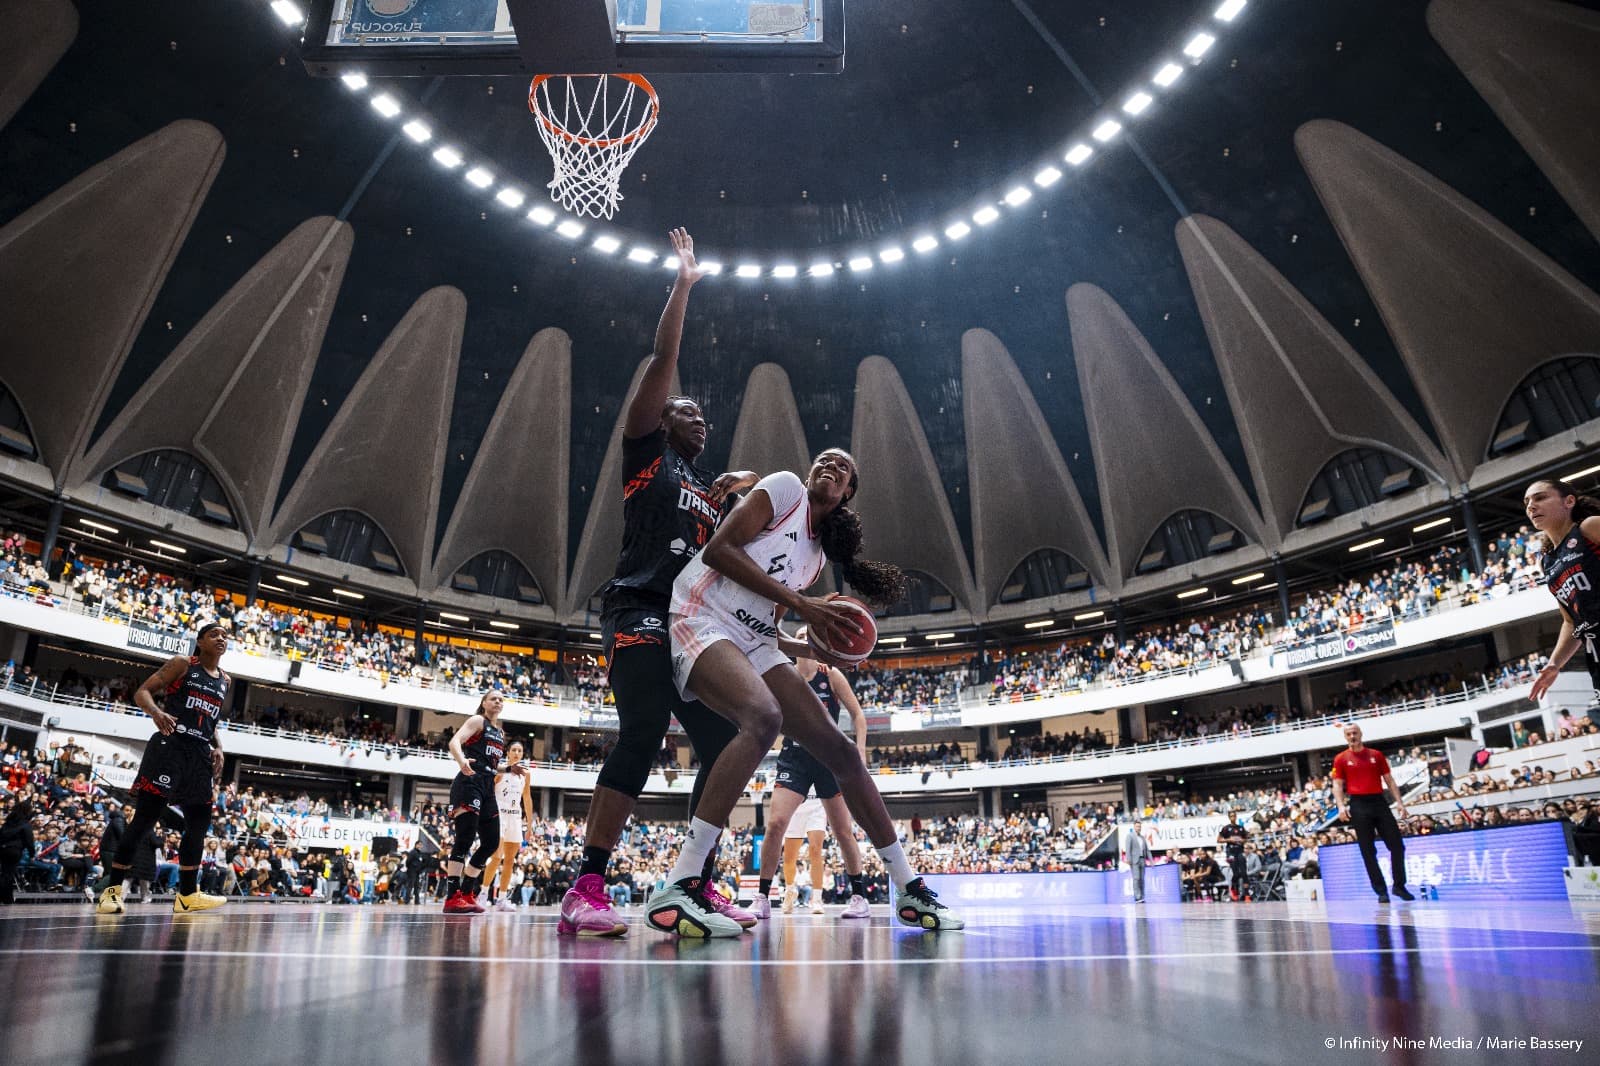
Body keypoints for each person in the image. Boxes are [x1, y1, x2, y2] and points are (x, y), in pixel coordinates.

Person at [652, 449, 963, 936]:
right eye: (825, 459)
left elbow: (765, 626)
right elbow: (718, 551)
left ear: (848, 494)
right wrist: (803, 605)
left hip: (750, 639)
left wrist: (813, 646)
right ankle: (680, 881)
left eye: (843, 468)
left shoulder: (815, 560)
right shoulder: (783, 489)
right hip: (699, 614)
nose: (831, 465)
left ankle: (907, 887)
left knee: (840, 750)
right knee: (763, 717)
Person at [561, 227, 760, 938]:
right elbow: (664, 358)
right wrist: (684, 284)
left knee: (729, 741)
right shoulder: (647, 454)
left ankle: (693, 884)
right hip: (636, 610)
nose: (698, 416)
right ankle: (585, 885)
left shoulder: (710, 496)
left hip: (687, 627)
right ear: (663, 419)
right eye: (688, 409)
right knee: (644, 728)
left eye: (705, 415)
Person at [97, 622, 232, 914]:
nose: (221, 638)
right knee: (145, 821)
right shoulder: (183, 664)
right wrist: (156, 712)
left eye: (225, 635)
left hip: (199, 755)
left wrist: (218, 745)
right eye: (214, 634)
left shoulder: (225, 680)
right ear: (200, 641)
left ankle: (186, 896)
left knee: (198, 824)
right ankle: (111, 892)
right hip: (169, 747)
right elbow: (143, 692)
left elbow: (211, 720)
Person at [752, 636, 873, 920]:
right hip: (795, 758)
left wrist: (861, 752)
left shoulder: (830, 674)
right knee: (776, 824)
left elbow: (858, 715)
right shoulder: (784, 677)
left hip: (829, 757)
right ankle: (763, 896)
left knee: (843, 830)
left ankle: (859, 896)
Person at [441, 692, 526, 914]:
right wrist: (461, 761)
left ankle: (468, 892)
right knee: (465, 838)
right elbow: (454, 742)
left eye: (501, 699)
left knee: (490, 843)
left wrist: (508, 769)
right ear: (484, 703)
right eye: (493, 698)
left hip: (488, 786)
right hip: (469, 782)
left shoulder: (499, 732)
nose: (498, 701)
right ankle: (452, 896)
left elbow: (490, 765)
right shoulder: (478, 721)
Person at [1526, 479, 1600, 703]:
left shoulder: (1589, 527)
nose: (1531, 506)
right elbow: (1571, 621)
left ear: (1568, 501)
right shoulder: (1548, 563)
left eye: (1540, 497)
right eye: (1527, 502)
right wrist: (1555, 663)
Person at [1331, 723, 1413, 902]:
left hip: (1379, 801)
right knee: (1368, 850)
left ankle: (1399, 886)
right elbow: (1337, 784)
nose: (1352, 736)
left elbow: (1389, 780)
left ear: (1361, 733)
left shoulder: (1376, 755)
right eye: (1349, 734)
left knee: (1397, 845)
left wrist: (1400, 803)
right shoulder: (1341, 759)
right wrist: (1341, 805)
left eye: (1355, 733)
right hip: (1358, 804)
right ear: (1345, 737)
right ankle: (1381, 890)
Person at [481, 740, 532, 912]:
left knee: (510, 860)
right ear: (508, 752)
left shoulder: (526, 773)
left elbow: (527, 798)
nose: (517, 753)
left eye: (520, 750)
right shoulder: (500, 770)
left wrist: (530, 824)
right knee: (496, 856)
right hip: (499, 815)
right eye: (514, 750)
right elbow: (487, 791)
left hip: (515, 818)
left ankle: (502, 898)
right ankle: (483, 894)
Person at [0, 799, 33, 903]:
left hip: (2, 849)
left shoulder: (8, 823)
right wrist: (32, 854)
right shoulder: (25, 824)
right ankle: (6, 898)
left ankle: (7, 898)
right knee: (8, 874)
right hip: (14, 851)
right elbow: (29, 841)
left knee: (5, 873)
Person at [1217, 815, 1248, 901]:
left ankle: (1247, 894)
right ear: (1229, 817)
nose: (1233, 817)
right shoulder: (1226, 828)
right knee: (1236, 873)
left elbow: (1246, 838)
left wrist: (1242, 840)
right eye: (1231, 816)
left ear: (1236, 816)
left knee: (1244, 873)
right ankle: (1234, 889)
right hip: (1230, 852)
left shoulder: (1240, 828)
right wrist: (1229, 840)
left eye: (1234, 816)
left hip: (1240, 851)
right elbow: (1218, 840)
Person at [1123, 819, 1151, 903]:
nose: (1139, 828)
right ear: (1134, 827)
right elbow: (1127, 849)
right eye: (1137, 826)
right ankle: (1137, 897)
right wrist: (1128, 859)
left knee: (1142, 879)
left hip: (1142, 859)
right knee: (1136, 878)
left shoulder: (1142, 837)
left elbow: (1146, 849)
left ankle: (1142, 896)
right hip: (1134, 860)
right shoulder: (1130, 836)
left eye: (1140, 826)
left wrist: (1151, 860)